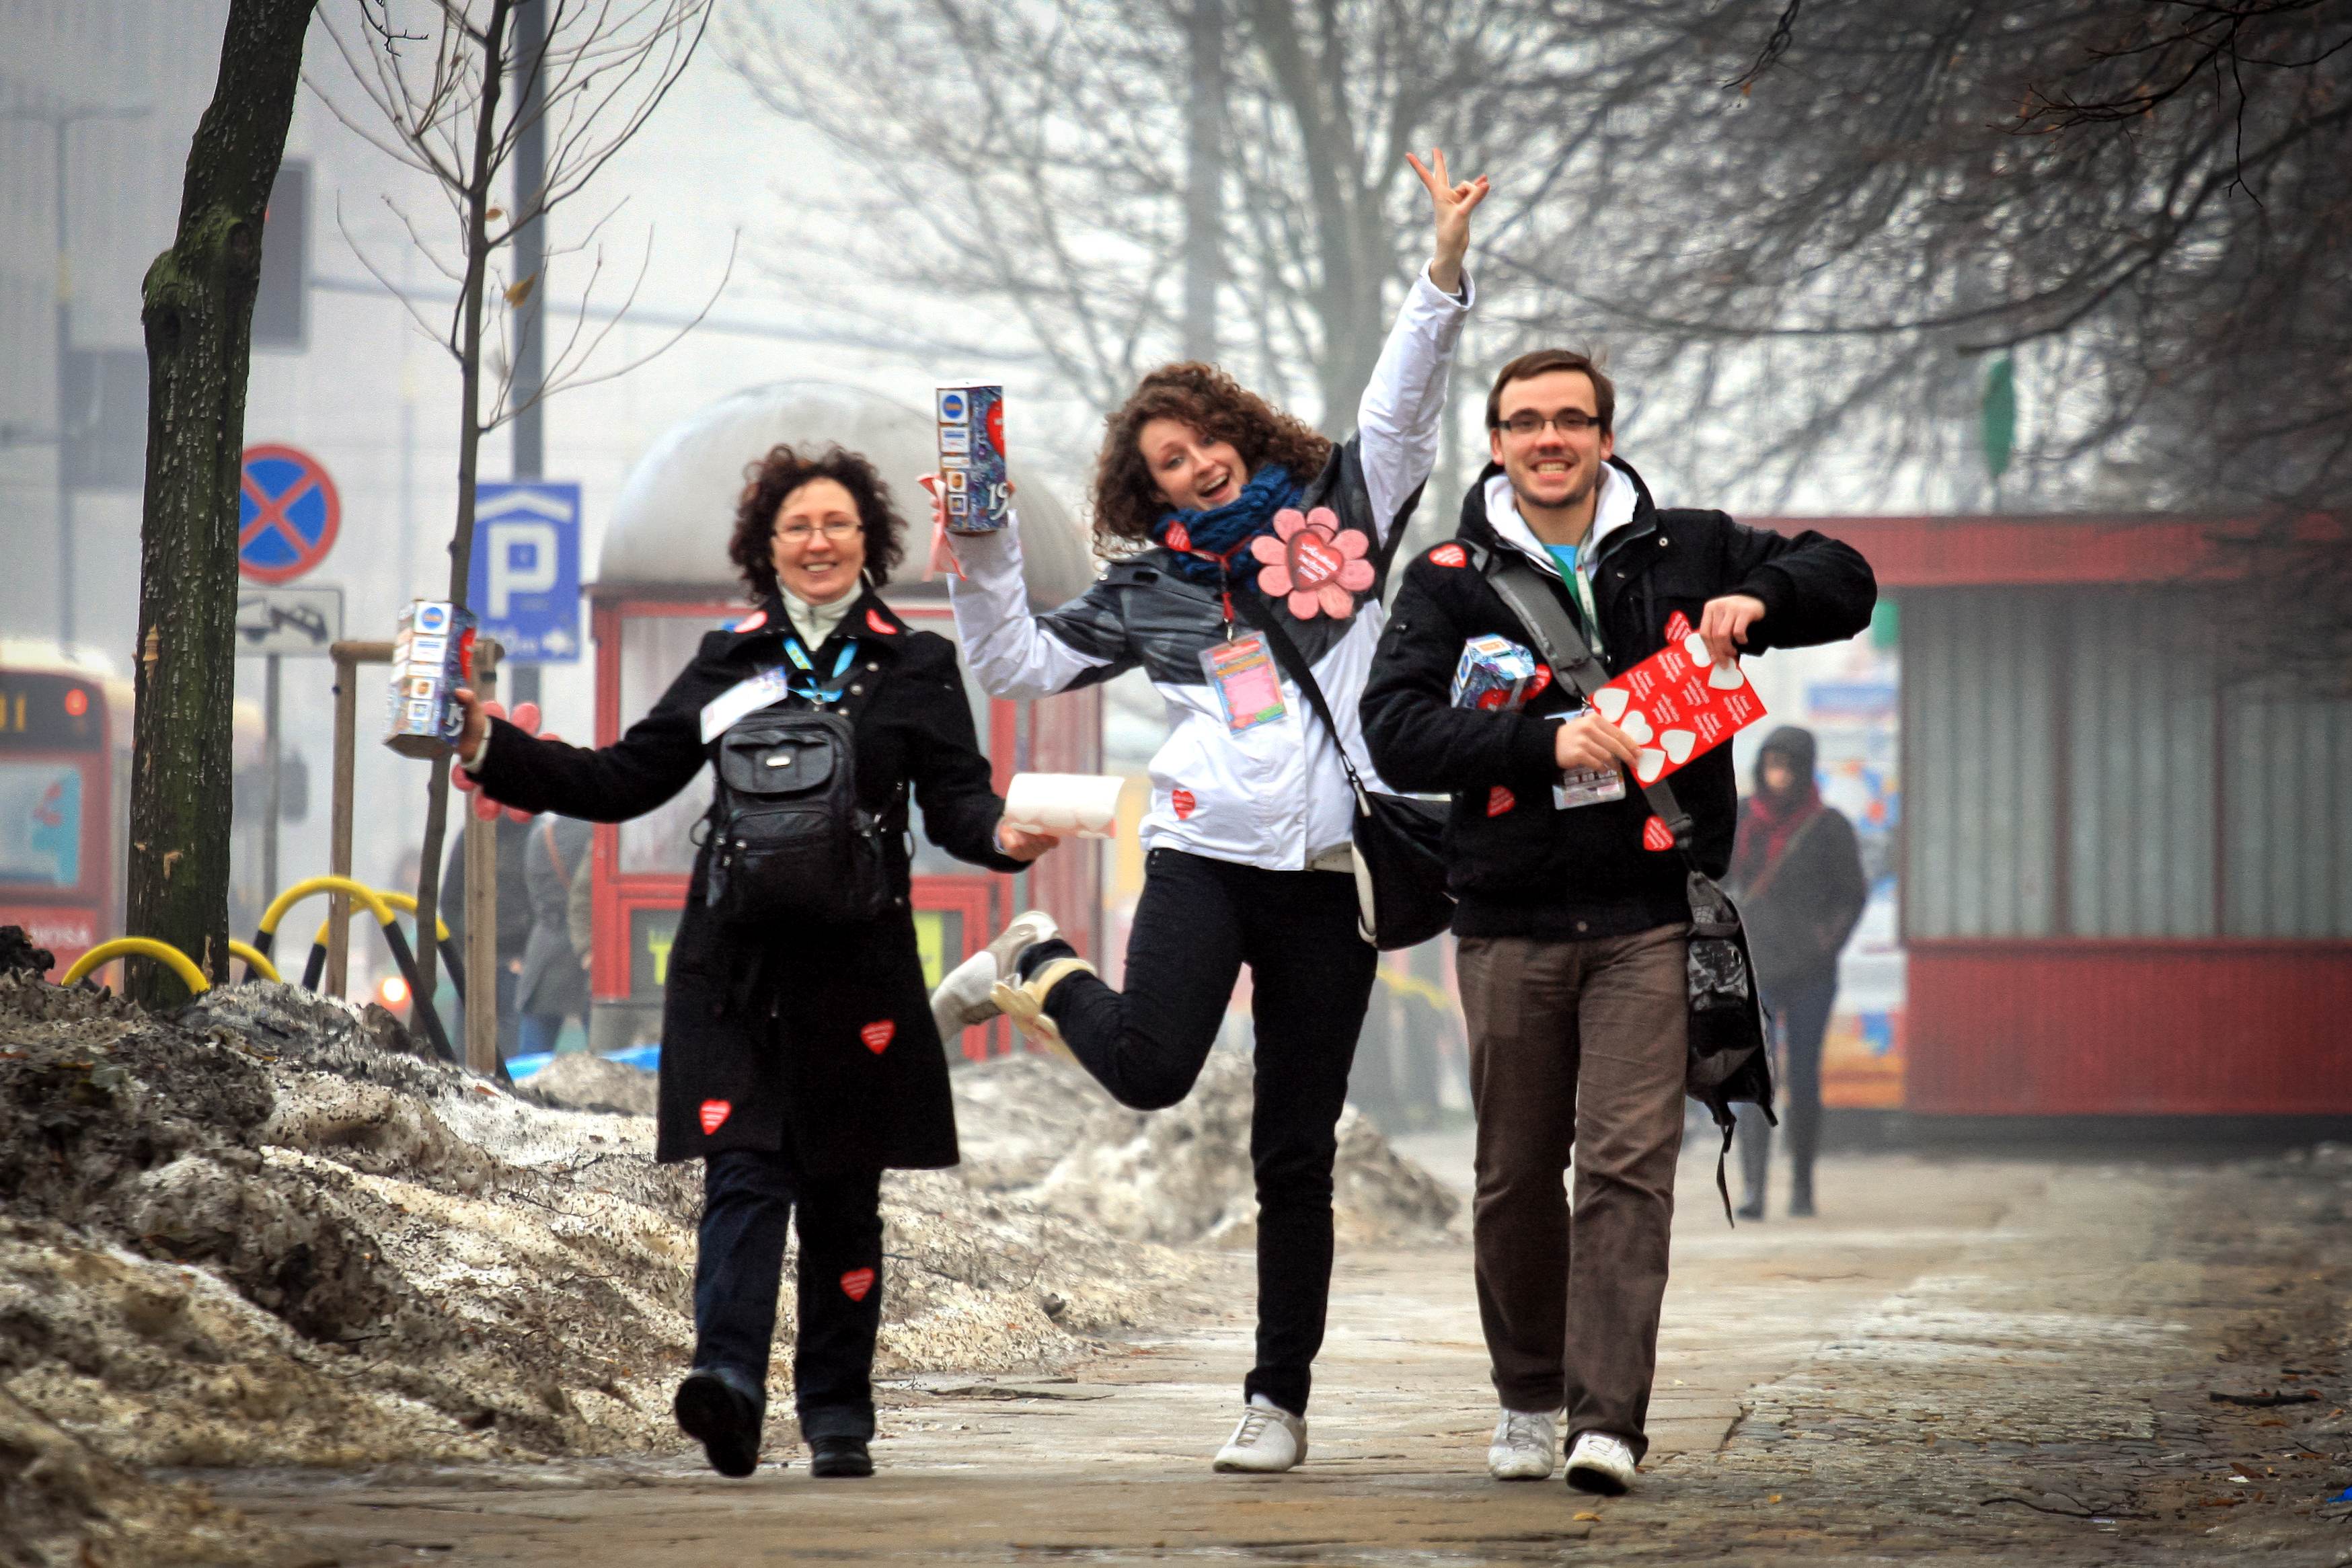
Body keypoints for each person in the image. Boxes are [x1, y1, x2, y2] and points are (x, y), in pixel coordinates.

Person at [922, 150, 1487, 1473]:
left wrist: (1441, 269)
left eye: (1201, 443)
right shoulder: (1151, 593)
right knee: (1150, 1068)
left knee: (1296, 1149)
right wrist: (983, 547)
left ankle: (1274, 1399)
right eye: (1165, 466)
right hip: (1200, 855)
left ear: (1235, 427)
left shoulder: (1341, 522)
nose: (1191, 469)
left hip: (1332, 877)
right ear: (1149, 488)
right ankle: (1037, 969)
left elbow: (1399, 417)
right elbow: (1011, 662)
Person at [446, 444, 1057, 1481]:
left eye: (837, 525)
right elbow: (625, 778)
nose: (817, 543)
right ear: (765, 548)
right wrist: (488, 745)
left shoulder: (915, 664)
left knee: (841, 1197)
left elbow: (958, 804)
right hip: (734, 969)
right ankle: (725, 1383)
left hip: (859, 972)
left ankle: (837, 1414)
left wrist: (1007, 834)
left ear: (871, 541)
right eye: (796, 528)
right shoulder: (728, 658)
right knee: (742, 1175)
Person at [1358, 348, 1876, 1495]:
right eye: (1525, 422)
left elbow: (1846, 576)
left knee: (1629, 1166)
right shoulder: (1448, 578)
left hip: (1650, 915)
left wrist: (1765, 596)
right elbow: (1391, 729)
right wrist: (1540, 743)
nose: (1549, 439)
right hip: (1504, 921)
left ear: (1604, 433)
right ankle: (1527, 1396)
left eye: (1571, 420)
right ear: (1494, 441)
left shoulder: (1684, 547)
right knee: (1512, 1172)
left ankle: (1608, 1421)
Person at [1727, 725, 1868, 1220]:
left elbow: (1852, 895)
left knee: (1804, 1078)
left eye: (1787, 765)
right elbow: (1718, 880)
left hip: (1810, 972)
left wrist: (1825, 943)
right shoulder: (1741, 819)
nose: (1778, 775)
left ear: (1804, 768)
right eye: (1771, 764)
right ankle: (1753, 1191)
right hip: (1755, 968)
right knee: (1755, 1079)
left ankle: (1802, 1186)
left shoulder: (1828, 826)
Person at [438, 814, 533, 1061]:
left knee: (511, 1053)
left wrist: (525, 955)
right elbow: (449, 901)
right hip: (474, 960)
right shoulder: (471, 835)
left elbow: (542, 901)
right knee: (466, 1042)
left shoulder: (534, 833)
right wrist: (467, 947)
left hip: (516, 961)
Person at [517, 813, 595, 1058]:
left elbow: (532, 896)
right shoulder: (598, 834)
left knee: (531, 1056)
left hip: (545, 951)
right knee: (605, 1051)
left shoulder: (540, 836)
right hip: (589, 950)